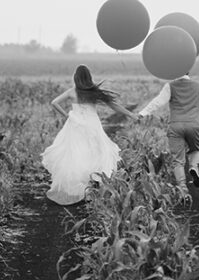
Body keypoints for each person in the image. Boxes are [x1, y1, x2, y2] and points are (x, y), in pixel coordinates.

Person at [41, 64, 138, 205]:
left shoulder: (72, 92)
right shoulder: (93, 92)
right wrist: (131, 114)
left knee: (76, 153)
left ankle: (78, 187)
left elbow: (54, 102)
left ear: (76, 78)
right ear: (89, 77)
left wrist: (67, 115)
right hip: (92, 124)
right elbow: (114, 105)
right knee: (94, 152)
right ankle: (92, 186)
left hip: (76, 124)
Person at [137, 70, 199, 197]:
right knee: (195, 149)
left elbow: (157, 102)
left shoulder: (170, 86)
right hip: (193, 125)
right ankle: (194, 167)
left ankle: (183, 189)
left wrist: (142, 113)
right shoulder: (198, 85)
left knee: (178, 160)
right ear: (188, 70)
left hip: (175, 126)